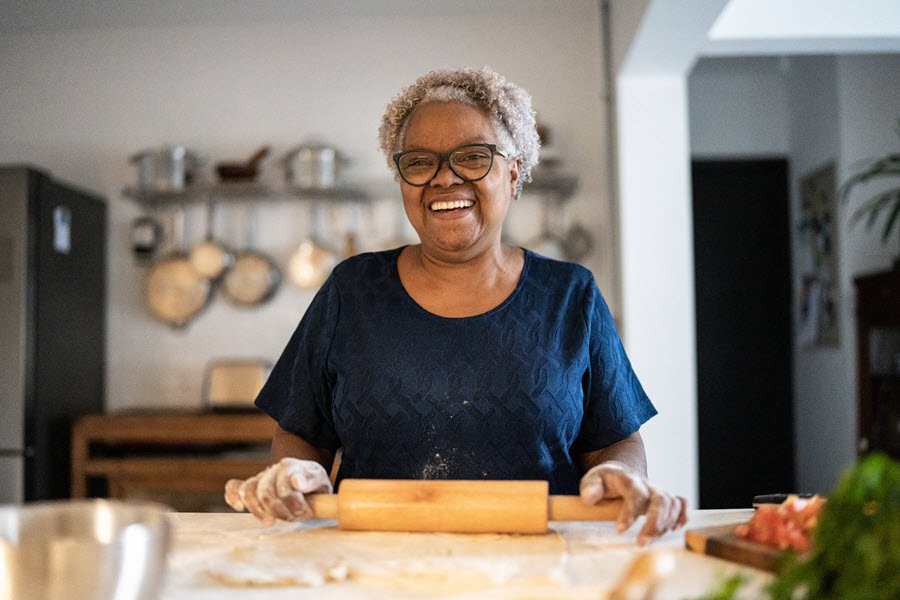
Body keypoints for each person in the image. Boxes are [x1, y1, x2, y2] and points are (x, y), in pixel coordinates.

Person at [225, 66, 687, 545]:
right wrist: (294, 473)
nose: (444, 179)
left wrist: (618, 474)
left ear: (512, 173)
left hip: (542, 566)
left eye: (472, 157)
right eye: (420, 162)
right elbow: (303, 432)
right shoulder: (351, 291)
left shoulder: (570, 296)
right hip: (372, 563)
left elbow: (615, 440)